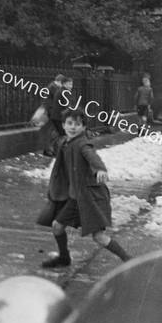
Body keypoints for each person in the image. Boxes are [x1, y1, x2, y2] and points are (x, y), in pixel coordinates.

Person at [37, 108, 132, 268]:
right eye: (70, 123)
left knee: (99, 237)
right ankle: (64, 258)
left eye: (78, 124)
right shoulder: (65, 142)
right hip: (75, 198)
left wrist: (100, 169)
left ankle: (129, 260)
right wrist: (44, 123)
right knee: (57, 226)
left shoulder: (82, 143)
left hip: (91, 197)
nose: (73, 127)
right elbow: (54, 139)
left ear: (83, 127)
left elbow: (92, 155)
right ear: (64, 125)